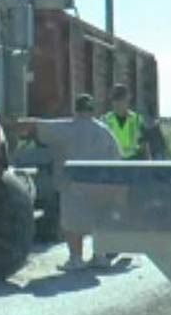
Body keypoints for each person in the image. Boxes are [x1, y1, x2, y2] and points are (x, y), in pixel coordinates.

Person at [13, 94, 121, 271]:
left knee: (72, 224)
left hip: (74, 185)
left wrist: (12, 124)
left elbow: (37, 127)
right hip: (100, 185)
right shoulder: (105, 131)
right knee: (99, 221)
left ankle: (76, 259)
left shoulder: (67, 128)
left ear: (76, 109)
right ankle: (100, 256)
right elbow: (117, 157)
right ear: (92, 110)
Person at [102, 84, 150, 161]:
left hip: (133, 162)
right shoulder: (105, 120)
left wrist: (148, 165)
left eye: (121, 99)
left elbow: (144, 145)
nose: (118, 102)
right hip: (112, 162)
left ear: (127, 100)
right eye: (115, 99)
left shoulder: (137, 119)